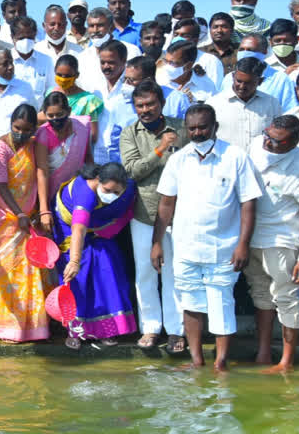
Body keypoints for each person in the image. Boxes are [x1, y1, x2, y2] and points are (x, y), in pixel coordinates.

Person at [153, 103, 261, 371]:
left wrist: (243, 245)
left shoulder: (235, 156)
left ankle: (221, 363)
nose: (197, 133)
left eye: (203, 127)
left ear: (215, 127)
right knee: (190, 302)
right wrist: (156, 242)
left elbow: (248, 203)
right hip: (186, 245)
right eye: (192, 129)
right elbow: (166, 204)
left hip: (224, 247)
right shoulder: (178, 159)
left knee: (222, 302)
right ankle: (197, 360)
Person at [119, 81, 188, 352]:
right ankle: (150, 328)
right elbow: (133, 171)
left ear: (161, 103)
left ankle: (177, 330)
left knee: (174, 273)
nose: (145, 110)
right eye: (140, 106)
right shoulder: (129, 133)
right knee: (146, 272)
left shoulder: (182, 128)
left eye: (150, 104)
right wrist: (160, 149)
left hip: (180, 213)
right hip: (144, 212)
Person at [52, 162, 138, 349]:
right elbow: (79, 228)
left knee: (107, 271)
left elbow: (128, 210)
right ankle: (75, 331)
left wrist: (107, 229)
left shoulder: (128, 188)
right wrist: (74, 261)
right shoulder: (85, 194)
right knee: (77, 278)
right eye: (107, 190)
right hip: (71, 231)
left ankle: (107, 330)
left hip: (101, 229)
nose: (112, 197)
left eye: (117, 193)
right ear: (98, 180)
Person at [0, 104, 50, 341]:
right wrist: (19, 214)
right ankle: (5, 324)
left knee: (27, 268)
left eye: (27, 130)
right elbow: (1, 185)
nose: (21, 134)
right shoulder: (0, 147)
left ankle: (31, 325)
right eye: (16, 128)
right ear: (10, 124)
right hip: (2, 216)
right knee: (3, 268)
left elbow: (41, 175)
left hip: (26, 215)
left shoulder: (34, 145)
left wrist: (37, 212)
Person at [246, 115, 299, 373]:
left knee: (286, 299)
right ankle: (264, 352)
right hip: (251, 236)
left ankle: (286, 361)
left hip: (282, 239)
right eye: (267, 135)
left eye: (276, 141)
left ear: (293, 142)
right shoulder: (256, 144)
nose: (268, 142)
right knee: (260, 294)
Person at [207, 57, 281, 152]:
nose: (242, 87)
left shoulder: (272, 104)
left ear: (260, 81)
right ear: (233, 76)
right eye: (239, 81)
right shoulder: (214, 104)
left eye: (248, 83)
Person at [36, 91, 92, 206]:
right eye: (50, 116)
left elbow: (88, 157)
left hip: (76, 189)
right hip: (50, 191)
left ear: (69, 111)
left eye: (59, 114)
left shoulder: (82, 127)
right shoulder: (43, 134)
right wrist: (44, 208)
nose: (55, 119)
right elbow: (43, 172)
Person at [0, 47, 38, 150]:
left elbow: (33, 119)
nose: (10, 67)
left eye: (11, 63)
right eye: (5, 64)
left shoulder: (25, 88)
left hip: (20, 157)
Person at [220, 33, 299, 112]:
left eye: (250, 50)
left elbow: (289, 110)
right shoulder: (229, 78)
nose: (245, 53)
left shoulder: (280, 79)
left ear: (264, 52)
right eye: (241, 49)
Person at [76, 8, 140, 94]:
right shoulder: (82, 58)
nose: (95, 30)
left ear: (112, 27)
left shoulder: (131, 51)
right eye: (91, 26)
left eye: (100, 25)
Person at [40, 54, 103, 142]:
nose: (63, 79)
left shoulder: (89, 101)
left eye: (67, 76)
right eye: (59, 75)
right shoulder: (51, 92)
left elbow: (93, 136)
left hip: (76, 149)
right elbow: (42, 118)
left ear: (77, 75)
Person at [123, 56, 191, 120]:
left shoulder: (177, 99)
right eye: (125, 79)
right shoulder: (120, 101)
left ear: (147, 80)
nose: (126, 83)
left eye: (131, 80)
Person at [172, 18, 225, 89]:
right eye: (176, 35)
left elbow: (215, 91)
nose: (178, 39)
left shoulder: (210, 61)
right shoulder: (166, 61)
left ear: (196, 39)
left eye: (184, 36)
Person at [10, 16, 55, 98]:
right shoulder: (5, 62)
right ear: (12, 37)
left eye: (30, 38)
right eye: (21, 38)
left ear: (35, 36)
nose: (26, 41)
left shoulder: (46, 61)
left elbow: (50, 90)